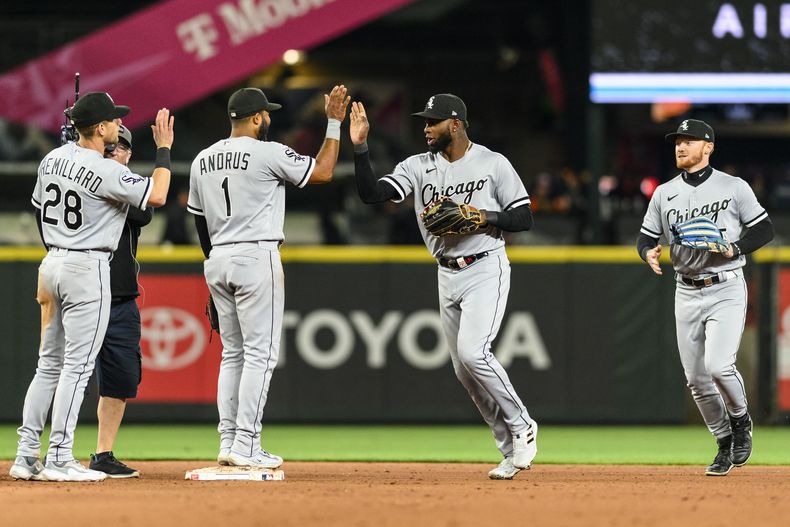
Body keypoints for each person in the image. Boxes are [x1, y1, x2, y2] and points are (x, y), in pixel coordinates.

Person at [349, 94, 538, 480]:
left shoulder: (492, 163)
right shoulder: (418, 166)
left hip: (486, 266)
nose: (425, 128)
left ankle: (523, 425)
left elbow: (523, 217)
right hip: (446, 272)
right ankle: (507, 449)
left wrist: (484, 215)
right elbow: (372, 194)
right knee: (464, 371)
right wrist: (360, 146)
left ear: (456, 124)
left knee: (473, 352)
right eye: (424, 122)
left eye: (433, 122)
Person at [9, 92, 174, 482]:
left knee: (47, 365)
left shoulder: (52, 158)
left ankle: (25, 454)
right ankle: (60, 458)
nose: (119, 125)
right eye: (114, 121)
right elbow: (160, 194)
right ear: (99, 128)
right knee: (77, 368)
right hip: (87, 266)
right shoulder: (106, 169)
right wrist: (164, 150)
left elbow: (38, 206)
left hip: (51, 263)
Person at [187, 85, 350, 469]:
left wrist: (216, 266)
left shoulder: (201, 159)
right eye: (267, 114)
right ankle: (246, 442)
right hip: (256, 253)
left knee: (233, 354)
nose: (270, 119)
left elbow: (199, 221)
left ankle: (228, 441)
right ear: (258, 117)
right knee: (261, 354)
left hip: (218, 258)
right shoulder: (268, 152)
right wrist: (333, 123)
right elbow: (323, 172)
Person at [637, 119, 774, 476]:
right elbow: (646, 237)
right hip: (686, 288)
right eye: (677, 141)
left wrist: (735, 247)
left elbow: (764, 228)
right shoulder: (664, 193)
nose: (680, 147)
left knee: (718, 366)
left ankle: (741, 421)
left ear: (708, 147)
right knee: (696, 379)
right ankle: (723, 441)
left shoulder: (733, 186)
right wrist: (648, 252)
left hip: (726, 285)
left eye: (689, 141)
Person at [86, 125, 151, 478]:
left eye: (122, 148)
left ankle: (102, 453)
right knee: (64, 372)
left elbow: (144, 212)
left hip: (120, 296)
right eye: (111, 146)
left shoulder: (127, 184)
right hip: (84, 292)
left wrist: (117, 172)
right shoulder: (82, 176)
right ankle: (47, 451)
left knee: (120, 379)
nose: (115, 152)